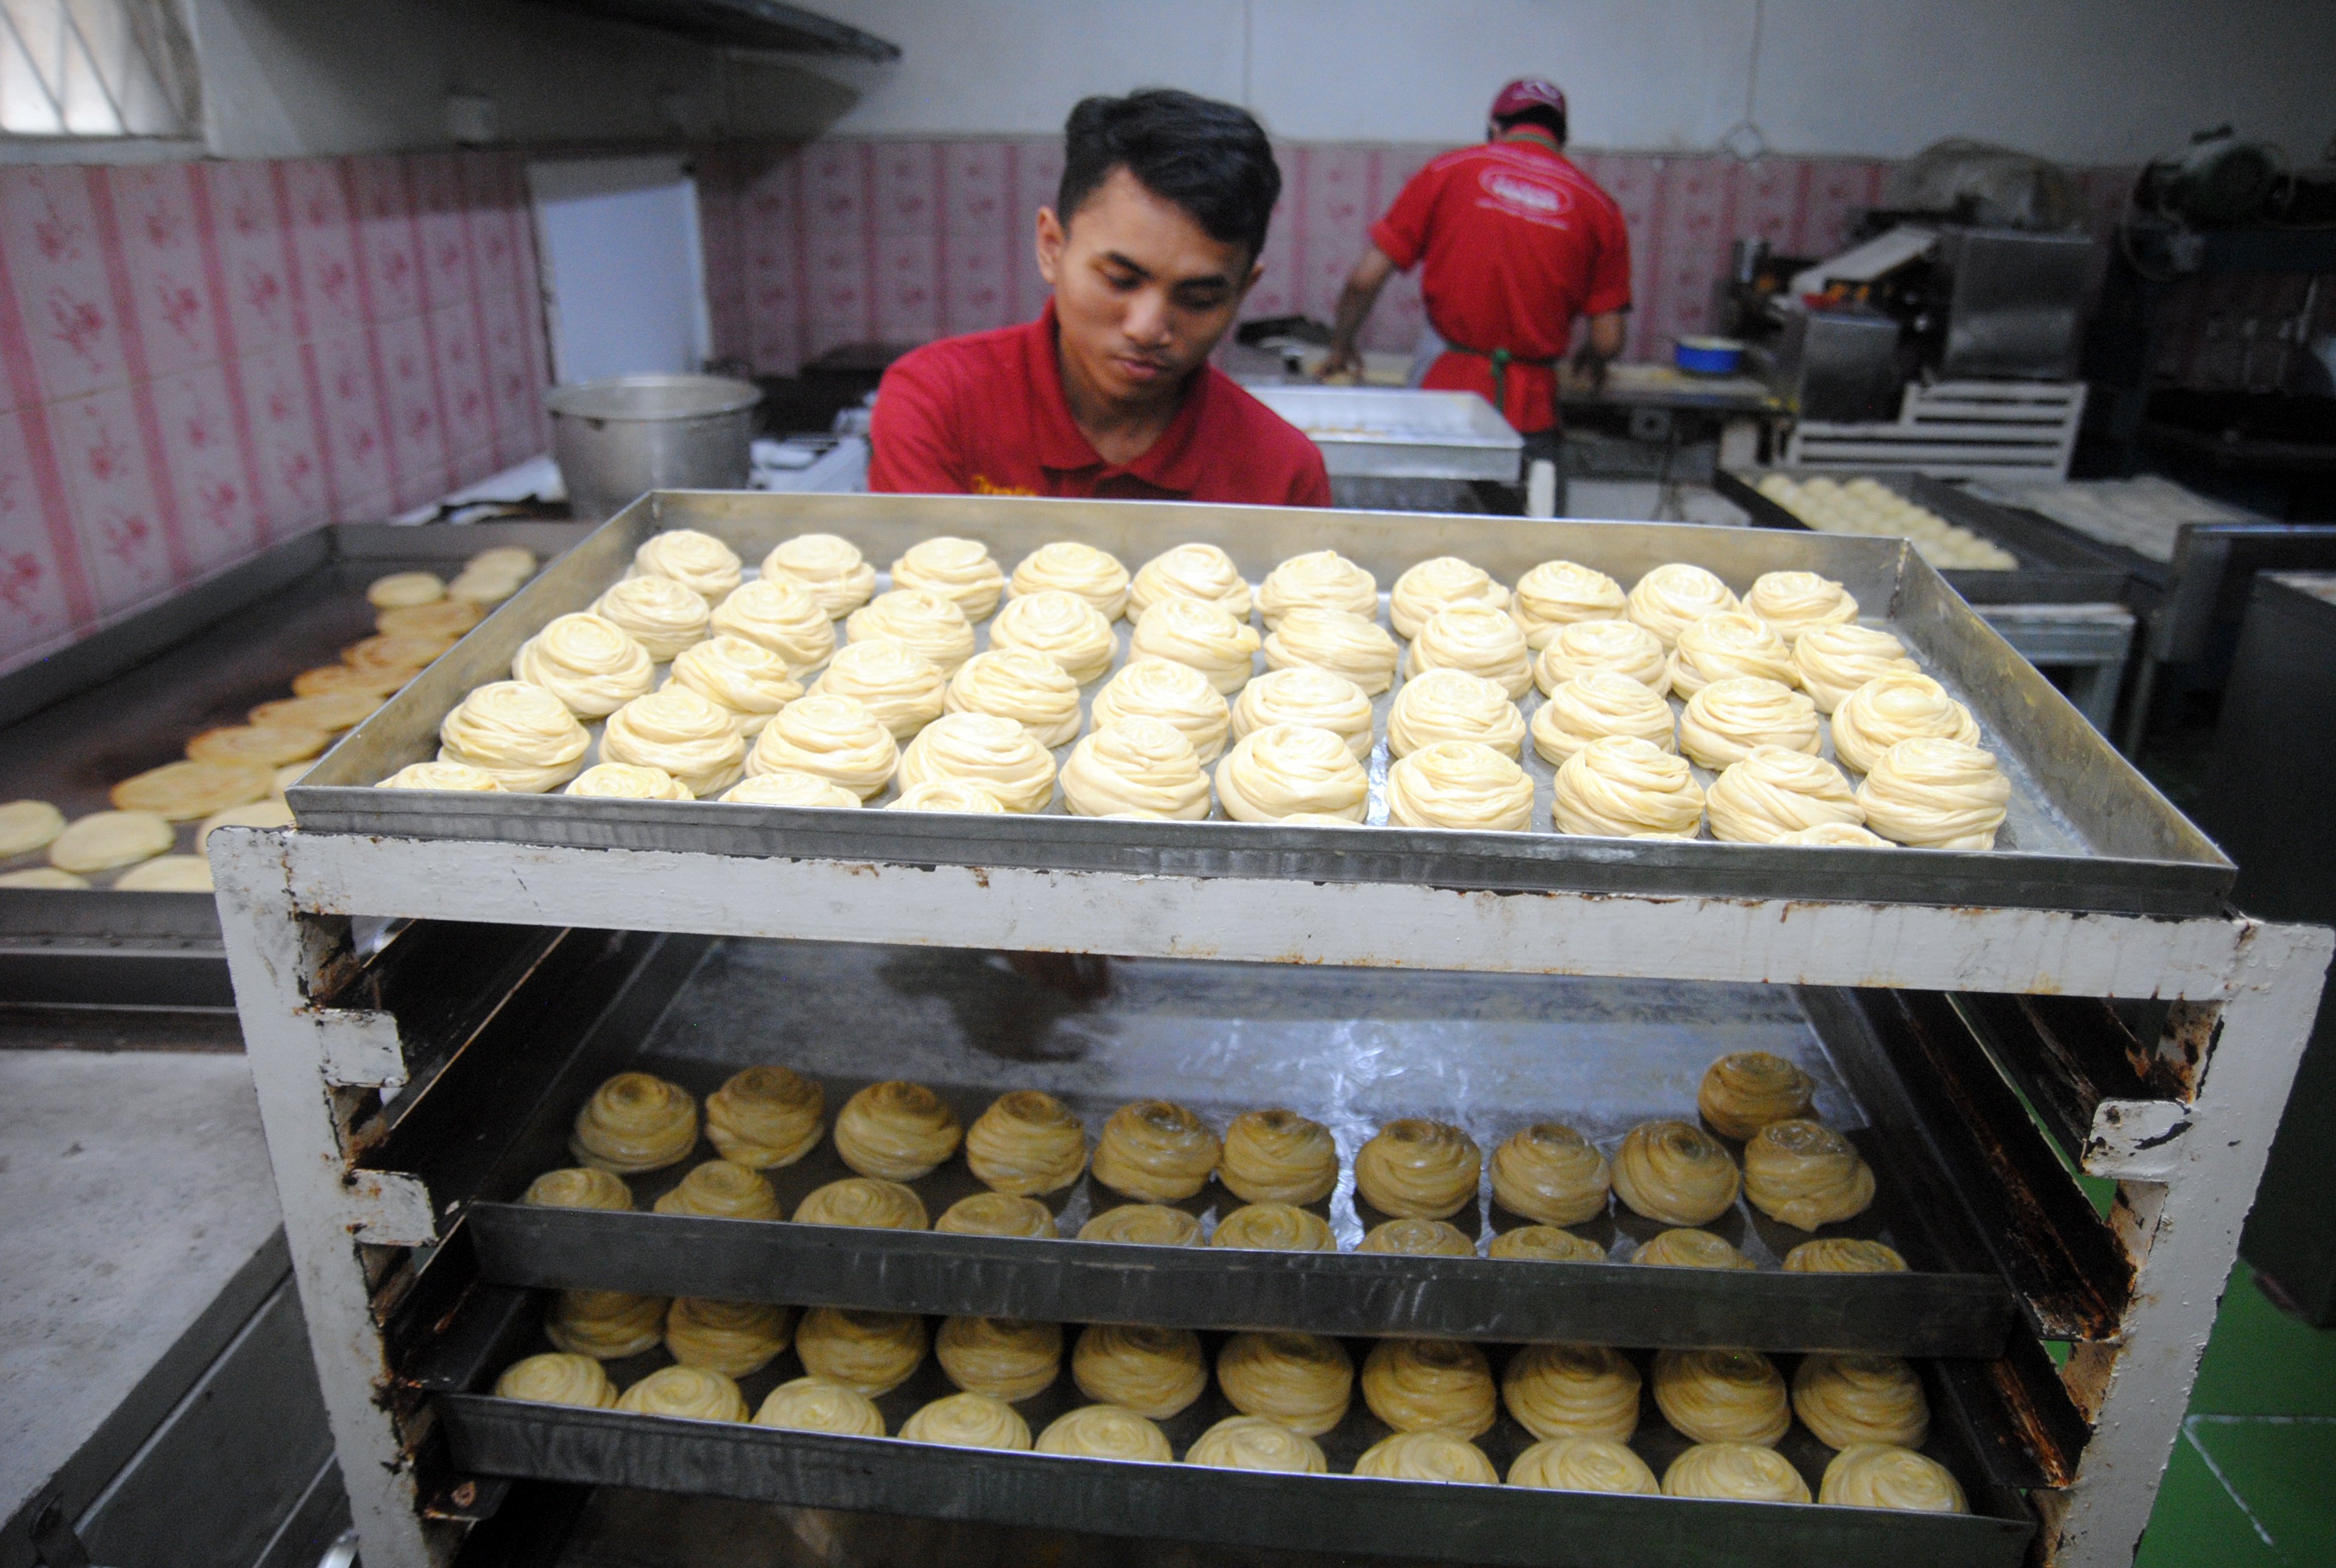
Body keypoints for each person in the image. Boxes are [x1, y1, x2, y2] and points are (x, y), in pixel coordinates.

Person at [869, 89, 1330, 507]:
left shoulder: (1282, 474)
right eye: (1120, 280)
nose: (1148, 329)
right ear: (1051, 246)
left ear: (1243, 291)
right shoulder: (939, 405)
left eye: (1198, 299)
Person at [1321, 78, 1630, 509]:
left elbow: (1364, 280)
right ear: (1562, 139)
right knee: (1529, 558)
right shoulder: (1599, 207)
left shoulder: (1449, 170)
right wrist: (1593, 359)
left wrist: (1341, 345)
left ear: (1494, 128)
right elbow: (1608, 340)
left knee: (1430, 556)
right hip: (1531, 412)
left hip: (1444, 404)